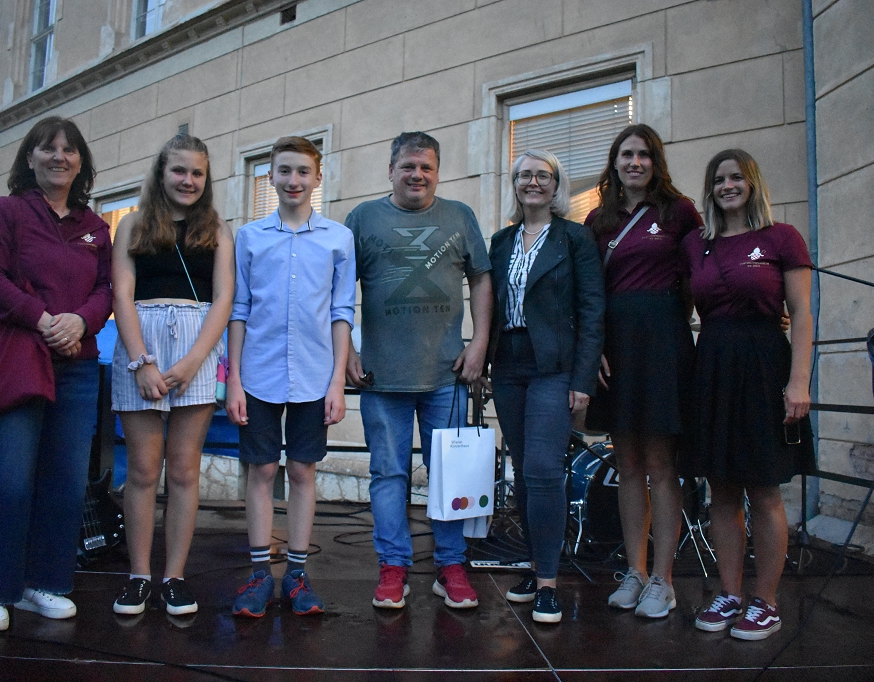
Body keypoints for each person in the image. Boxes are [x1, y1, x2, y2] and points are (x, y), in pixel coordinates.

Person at [0, 116, 113, 632]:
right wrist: (43, 319)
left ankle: (44, 583)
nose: (59, 157)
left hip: (77, 365)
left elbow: (107, 289)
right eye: (48, 148)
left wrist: (81, 321)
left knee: (66, 482)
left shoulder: (95, 227)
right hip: (18, 360)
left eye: (69, 150)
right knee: (7, 479)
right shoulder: (5, 212)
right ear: (29, 158)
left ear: (81, 163)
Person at [345, 131, 493, 610]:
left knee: (450, 474)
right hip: (380, 377)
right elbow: (338, 289)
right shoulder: (362, 218)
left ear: (437, 172)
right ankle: (393, 566)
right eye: (408, 166)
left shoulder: (459, 216)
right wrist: (345, 350)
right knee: (388, 474)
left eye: (426, 167)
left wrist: (479, 344)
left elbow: (481, 278)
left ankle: (451, 566)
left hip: (447, 375)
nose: (417, 175)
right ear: (391, 170)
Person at [683, 149, 813, 640]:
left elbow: (801, 313)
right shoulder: (695, 244)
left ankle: (767, 602)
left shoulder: (782, 237)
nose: (728, 186)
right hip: (713, 365)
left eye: (737, 177)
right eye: (719, 179)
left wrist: (799, 381)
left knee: (764, 487)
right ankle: (730, 593)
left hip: (764, 367)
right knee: (721, 489)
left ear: (752, 183)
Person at [226, 136, 355, 617]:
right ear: (271, 177)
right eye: (284, 171)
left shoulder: (339, 239)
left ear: (318, 178)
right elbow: (239, 310)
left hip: (315, 375)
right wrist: (233, 380)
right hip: (258, 373)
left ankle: (297, 576)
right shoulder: (249, 237)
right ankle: (260, 574)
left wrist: (337, 381)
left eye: (303, 171)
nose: (293, 180)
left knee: (302, 471)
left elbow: (342, 311)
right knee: (260, 471)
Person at [110, 135, 234, 617]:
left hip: (196, 346)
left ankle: (175, 576)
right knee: (143, 470)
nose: (188, 180)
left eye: (197, 173)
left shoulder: (218, 229)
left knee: (184, 471)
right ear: (161, 173)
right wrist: (141, 361)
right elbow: (122, 294)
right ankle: (139, 575)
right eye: (179, 170)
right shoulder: (133, 225)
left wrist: (194, 360)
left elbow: (223, 298)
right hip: (141, 344)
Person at [583, 124, 702, 618]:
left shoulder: (679, 212)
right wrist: (593, 347)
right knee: (627, 463)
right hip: (615, 348)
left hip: (662, 346)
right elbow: (589, 291)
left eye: (644, 154)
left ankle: (663, 579)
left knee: (661, 464)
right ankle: (634, 571)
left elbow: (701, 276)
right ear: (614, 162)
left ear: (656, 162)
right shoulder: (598, 219)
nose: (635, 162)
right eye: (626, 154)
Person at [491, 150, 605, 623]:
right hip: (507, 364)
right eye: (524, 175)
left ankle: (548, 584)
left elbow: (592, 309)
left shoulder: (575, 238)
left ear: (556, 185)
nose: (533, 182)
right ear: (514, 183)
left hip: (553, 365)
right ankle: (534, 564)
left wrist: (583, 378)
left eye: (543, 175)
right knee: (523, 469)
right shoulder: (501, 241)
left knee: (542, 468)